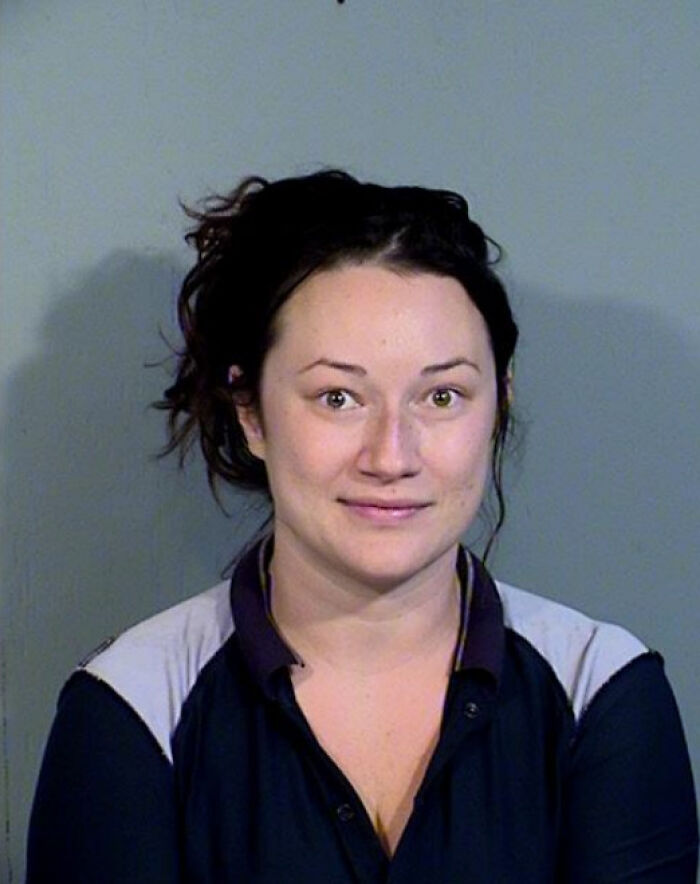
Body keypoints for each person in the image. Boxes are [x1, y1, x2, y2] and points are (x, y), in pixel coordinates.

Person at [27, 170, 698, 882]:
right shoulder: (132, 709)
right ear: (250, 411)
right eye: (338, 397)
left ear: (498, 404)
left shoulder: (601, 693)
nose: (392, 455)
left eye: (442, 395)